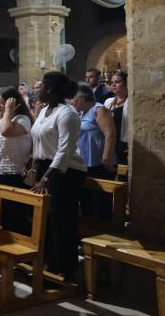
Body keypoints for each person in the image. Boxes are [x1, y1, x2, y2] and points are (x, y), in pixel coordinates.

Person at [30, 71, 87, 281]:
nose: (37, 90)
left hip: (65, 171)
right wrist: (35, 166)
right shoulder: (46, 110)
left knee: (61, 219)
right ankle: (47, 262)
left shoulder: (67, 113)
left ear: (51, 89)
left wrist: (47, 177)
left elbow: (64, 150)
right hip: (46, 167)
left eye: (41, 86)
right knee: (46, 219)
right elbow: (37, 140)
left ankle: (64, 266)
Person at [0, 87, 33, 234]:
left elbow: (6, 132)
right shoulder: (4, 118)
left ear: (14, 103)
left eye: (3, 103)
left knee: (15, 217)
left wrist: (8, 111)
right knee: (3, 217)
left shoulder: (23, 119)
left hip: (13, 174)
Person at [72, 83, 118, 219]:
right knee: (87, 201)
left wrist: (106, 158)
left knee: (101, 202)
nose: (71, 102)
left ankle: (104, 231)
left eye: (73, 98)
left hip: (100, 164)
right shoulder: (80, 113)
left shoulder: (99, 109)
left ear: (81, 98)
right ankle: (89, 230)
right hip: (85, 163)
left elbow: (110, 134)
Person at [104, 71, 129, 164]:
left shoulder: (131, 102)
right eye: (112, 82)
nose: (113, 85)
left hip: (123, 144)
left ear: (126, 84)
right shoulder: (108, 102)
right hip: (110, 142)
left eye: (117, 82)